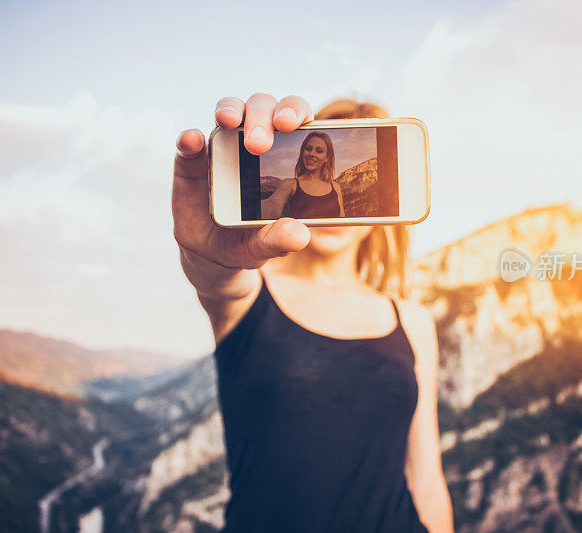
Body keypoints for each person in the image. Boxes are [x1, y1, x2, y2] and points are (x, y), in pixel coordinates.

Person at [172, 93, 454, 533]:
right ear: (302, 152)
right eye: (311, 148)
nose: (318, 157)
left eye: (326, 151)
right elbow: (216, 274)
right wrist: (207, 249)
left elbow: (427, 483)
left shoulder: (411, 320)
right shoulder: (248, 292)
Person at [261, 131, 345, 219]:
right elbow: (273, 204)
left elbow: (343, 221)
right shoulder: (290, 184)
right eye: (308, 149)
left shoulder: (335, 187)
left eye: (319, 151)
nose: (311, 154)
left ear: (326, 157)